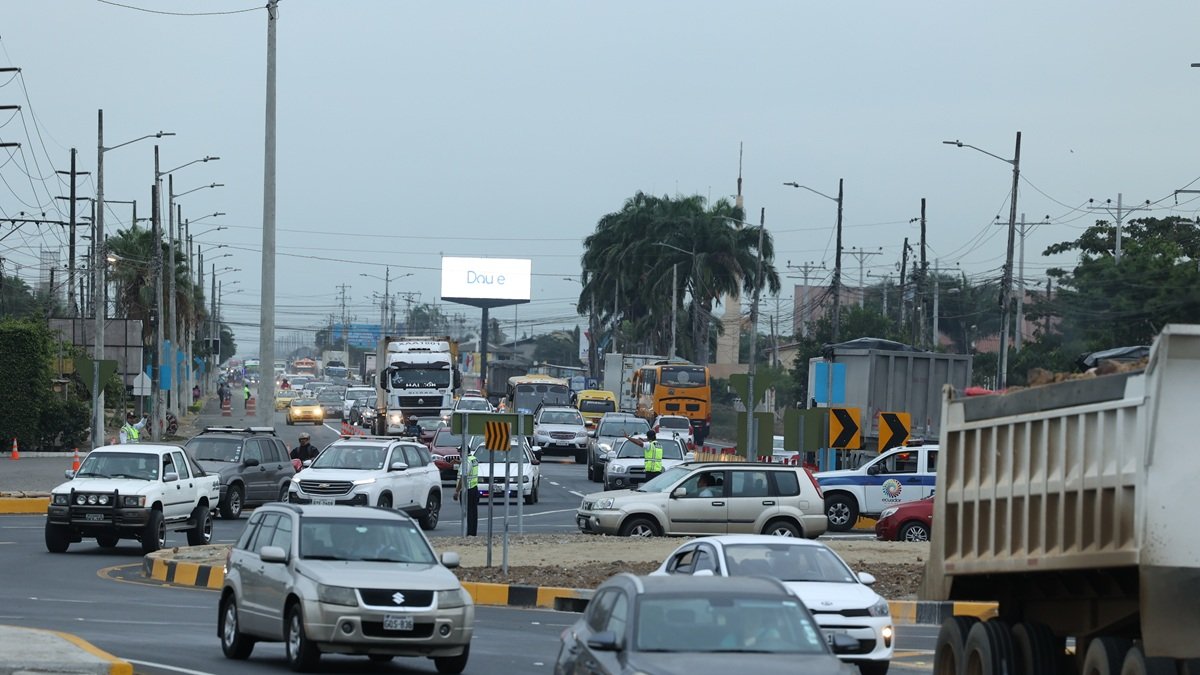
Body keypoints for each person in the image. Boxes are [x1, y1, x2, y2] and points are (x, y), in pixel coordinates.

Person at [453, 446, 479, 536]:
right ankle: (472, 532)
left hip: (467, 490)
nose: (459, 453)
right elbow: (469, 465)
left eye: (460, 451)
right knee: (473, 513)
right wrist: (459, 462)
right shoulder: (473, 459)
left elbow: (463, 477)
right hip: (474, 489)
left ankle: (469, 534)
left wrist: (457, 491)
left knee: (468, 513)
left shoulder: (466, 462)